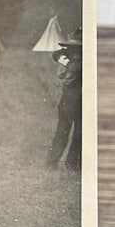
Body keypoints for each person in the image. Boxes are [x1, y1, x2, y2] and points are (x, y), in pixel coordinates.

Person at [46, 28, 83, 171]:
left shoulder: (76, 58)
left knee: (72, 132)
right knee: (68, 132)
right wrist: (67, 62)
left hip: (73, 99)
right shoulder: (72, 57)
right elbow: (56, 54)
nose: (73, 49)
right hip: (71, 98)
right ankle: (60, 164)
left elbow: (57, 54)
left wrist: (67, 62)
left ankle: (67, 164)